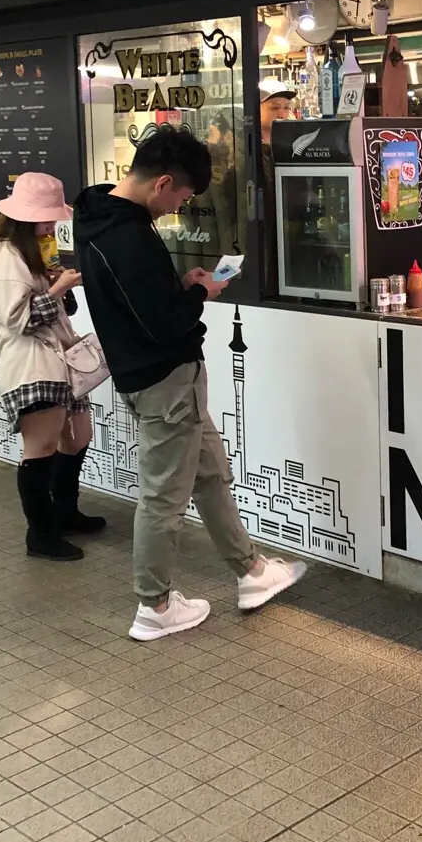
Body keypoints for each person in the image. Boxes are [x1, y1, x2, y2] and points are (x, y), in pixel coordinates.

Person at [73, 124, 305, 642]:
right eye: (181, 197)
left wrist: (177, 287)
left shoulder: (97, 215)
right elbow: (163, 323)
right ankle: (153, 605)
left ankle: (251, 571)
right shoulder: (128, 235)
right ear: (162, 183)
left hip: (151, 376)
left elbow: (136, 301)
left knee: (210, 474)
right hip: (165, 379)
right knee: (163, 496)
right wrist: (200, 295)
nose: (178, 207)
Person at [0, 173, 103, 564]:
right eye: (45, 218)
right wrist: (57, 289)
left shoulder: (31, 250)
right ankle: (41, 533)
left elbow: (57, 310)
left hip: (59, 363)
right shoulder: (5, 255)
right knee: (41, 446)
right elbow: (19, 319)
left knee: (77, 436)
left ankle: (64, 513)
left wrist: (57, 286)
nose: (51, 225)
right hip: (32, 365)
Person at [259, 79, 296, 298]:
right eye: (274, 107)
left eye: (286, 107)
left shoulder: (290, 146)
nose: (282, 114)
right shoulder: (244, 146)